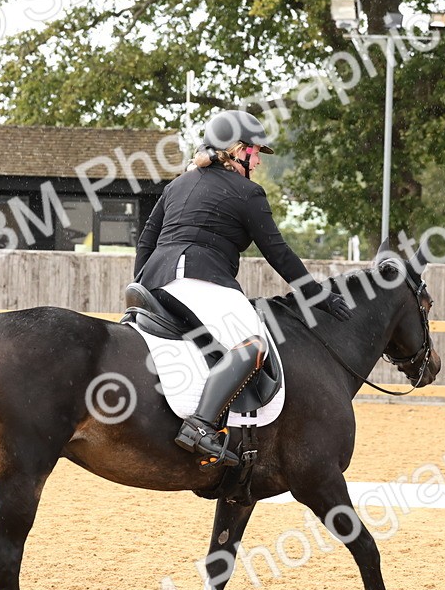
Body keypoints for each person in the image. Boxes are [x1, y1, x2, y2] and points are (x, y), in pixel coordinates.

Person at [133, 109, 352, 466]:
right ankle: (200, 426)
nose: (259, 162)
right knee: (253, 342)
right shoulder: (247, 192)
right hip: (199, 279)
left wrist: (140, 283)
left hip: (154, 281)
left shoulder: (177, 185)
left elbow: (146, 239)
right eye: (256, 152)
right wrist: (316, 295)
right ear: (238, 150)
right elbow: (278, 253)